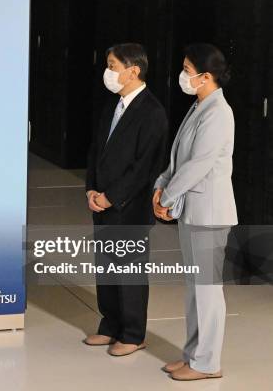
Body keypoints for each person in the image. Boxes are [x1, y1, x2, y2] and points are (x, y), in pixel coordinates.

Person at [153, 43, 236, 381]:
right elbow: (179, 158)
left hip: (210, 214)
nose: (183, 76)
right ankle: (192, 355)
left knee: (207, 290)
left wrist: (167, 198)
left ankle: (208, 363)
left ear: (205, 76)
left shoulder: (219, 112)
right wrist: (161, 184)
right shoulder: (199, 106)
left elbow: (199, 165)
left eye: (187, 70)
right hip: (194, 212)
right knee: (194, 288)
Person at [85, 43, 168, 356]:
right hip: (102, 202)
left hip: (128, 207)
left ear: (133, 70)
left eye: (113, 65)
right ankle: (110, 326)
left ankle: (133, 334)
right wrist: (91, 190)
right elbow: (96, 151)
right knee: (105, 268)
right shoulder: (112, 106)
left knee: (129, 272)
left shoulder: (152, 112)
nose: (109, 72)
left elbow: (144, 167)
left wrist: (111, 197)